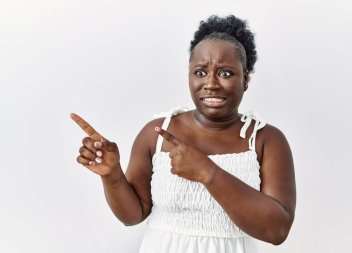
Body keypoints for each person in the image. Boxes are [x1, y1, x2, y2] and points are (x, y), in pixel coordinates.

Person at [71, 15, 296, 253]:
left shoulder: (266, 140)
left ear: (245, 79)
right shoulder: (156, 134)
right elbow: (132, 216)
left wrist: (208, 173)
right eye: (200, 72)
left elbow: (277, 231)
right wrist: (112, 176)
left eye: (226, 73)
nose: (211, 84)